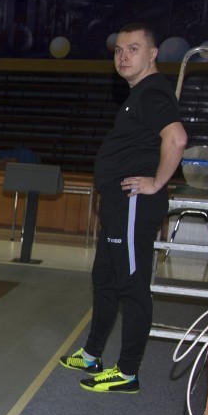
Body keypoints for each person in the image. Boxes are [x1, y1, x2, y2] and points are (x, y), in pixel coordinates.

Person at [59, 23, 188, 394]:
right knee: (105, 280)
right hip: (118, 205)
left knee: (132, 288)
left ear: (153, 54)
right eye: (118, 50)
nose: (124, 56)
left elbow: (176, 138)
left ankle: (128, 371)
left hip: (134, 204)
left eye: (133, 49)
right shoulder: (139, 94)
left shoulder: (152, 93)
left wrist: (156, 182)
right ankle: (92, 353)